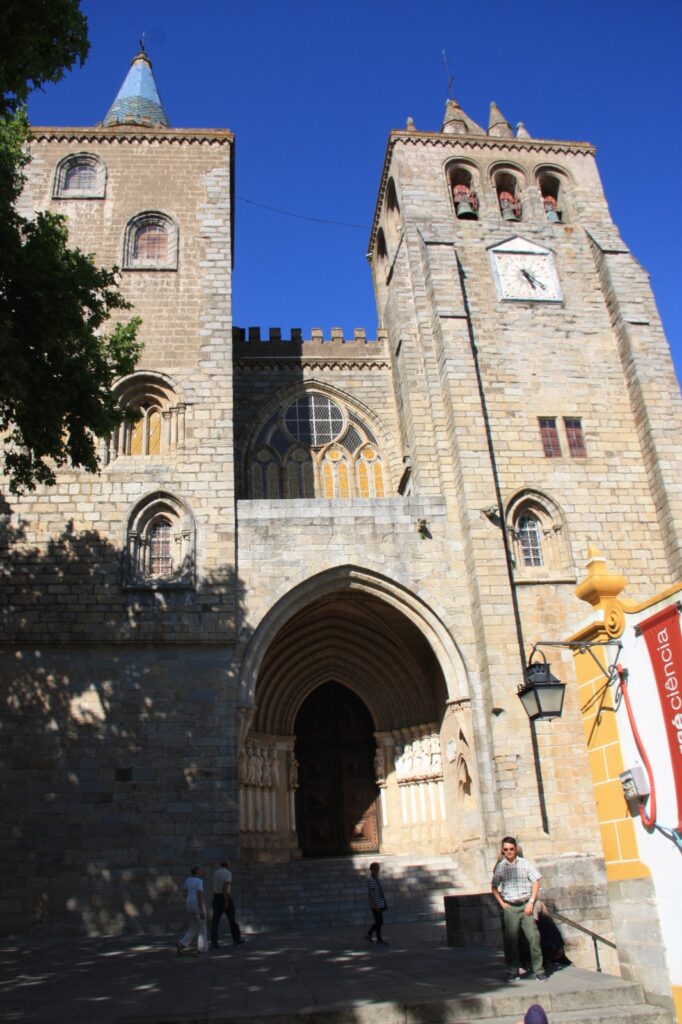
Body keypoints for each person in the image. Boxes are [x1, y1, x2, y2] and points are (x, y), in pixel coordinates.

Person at [491, 836, 546, 982]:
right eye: (506, 849)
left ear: (516, 849)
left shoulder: (525, 864)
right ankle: (513, 971)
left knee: (533, 938)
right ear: (502, 850)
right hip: (510, 906)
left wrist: (531, 902)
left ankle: (539, 970)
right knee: (511, 940)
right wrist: (502, 904)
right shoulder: (501, 867)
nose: (509, 852)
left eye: (511, 849)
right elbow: (494, 886)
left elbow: (536, 882)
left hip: (525, 905)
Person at [210, 857, 245, 948]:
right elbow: (225, 885)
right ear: (227, 865)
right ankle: (236, 939)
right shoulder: (228, 873)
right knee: (232, 919)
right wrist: (226, 899)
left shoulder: (216, 872)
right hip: (224, 896)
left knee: (215, 921)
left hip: (216, 896)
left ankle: (214, 942)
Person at [176, 864, 207, 956]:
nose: (202, 871)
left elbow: (184, 894)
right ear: (197, 871)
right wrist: (201, 910)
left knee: (193, 927)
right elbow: (200, 894)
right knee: (202, 928)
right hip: (197, 905)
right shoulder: (199, 881)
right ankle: (201, 950)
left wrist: (189, 899)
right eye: (200, 870)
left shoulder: (188, 880)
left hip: (189, 904)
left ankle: (182, 943)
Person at [363, 861, 388, 945]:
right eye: (377, 869)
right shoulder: (371, 880)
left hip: (378, 904)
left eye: (378, 869)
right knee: (379, 921)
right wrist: (376, 905)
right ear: (373, 870)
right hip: (375, 905)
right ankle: (369, 935)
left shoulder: (375, 879)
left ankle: (377, 938)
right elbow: (372, 894)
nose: (378, 871)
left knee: (379, 921)